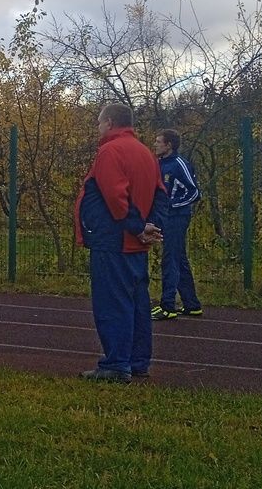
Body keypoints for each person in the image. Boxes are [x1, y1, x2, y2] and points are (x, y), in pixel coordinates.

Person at [75, 103, 169, 383]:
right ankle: (138, 361)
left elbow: (116, 197)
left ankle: (116, 364)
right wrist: (151, 226)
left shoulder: (110, 151)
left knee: (112, 304)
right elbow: (160, 194)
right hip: (136, 244)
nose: (98, 128)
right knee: (138, 304)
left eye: (99, 123)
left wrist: (138, 227)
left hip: (113, 241)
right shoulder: (146, 153)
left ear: (110, 122)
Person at [152, 129, 203, 320]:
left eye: (159, 141)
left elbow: (194, 192)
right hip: (165, 217)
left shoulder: (179, 164)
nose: (155, 144)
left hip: (177, 217)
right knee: (179, 258)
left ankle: (168, 306)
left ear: (169, 145)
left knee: (170, 259)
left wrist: (172, 205)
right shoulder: (159, 164)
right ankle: (191, 304)